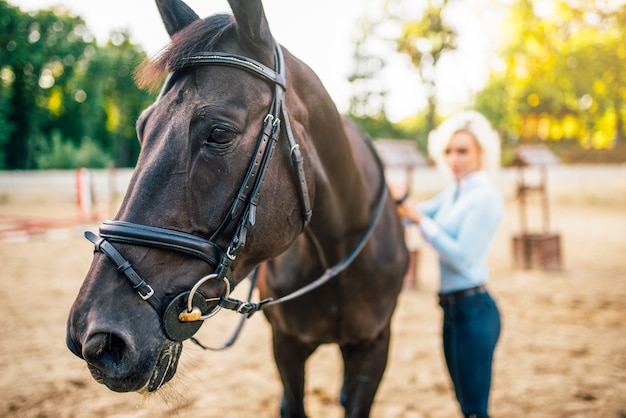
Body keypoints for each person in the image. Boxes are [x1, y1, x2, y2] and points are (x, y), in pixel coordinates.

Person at [392, 110, 503, 418]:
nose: (454, 158)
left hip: (475, 312)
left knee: (474, 408)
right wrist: (389, 195)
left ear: (482, 152)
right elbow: (414, 212)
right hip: (451, 309)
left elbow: (459, 255)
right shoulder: (455, 192)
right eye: (449, 151)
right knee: (463, 402)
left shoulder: (486, 197)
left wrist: (415, 217)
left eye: (463, 151)